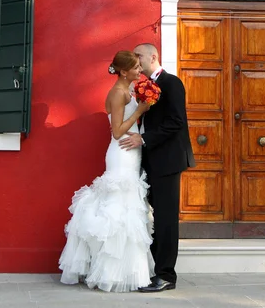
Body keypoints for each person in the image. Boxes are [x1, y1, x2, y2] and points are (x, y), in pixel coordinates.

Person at [59, 50, 154, 292]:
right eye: (135, 68)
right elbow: (118, 131)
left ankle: (123, 270)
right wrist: (141, 111)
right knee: (118, 206)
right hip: (121, 152)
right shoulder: (118, 92)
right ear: (124, 72)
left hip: (131, 152)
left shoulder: (128, 90)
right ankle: (111, 272)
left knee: (127, 205)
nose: (139, 71)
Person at [119, 43, 195, 293]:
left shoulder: (171, 83)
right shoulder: (141, 85)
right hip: (150, 159)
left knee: (165, 219)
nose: (136, 61)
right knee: (153, 217)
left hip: (168, 160)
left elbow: (176, 122)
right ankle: (153, 269)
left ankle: (166, 276)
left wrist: (144, 139)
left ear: (153, 56)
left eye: (139, 56)